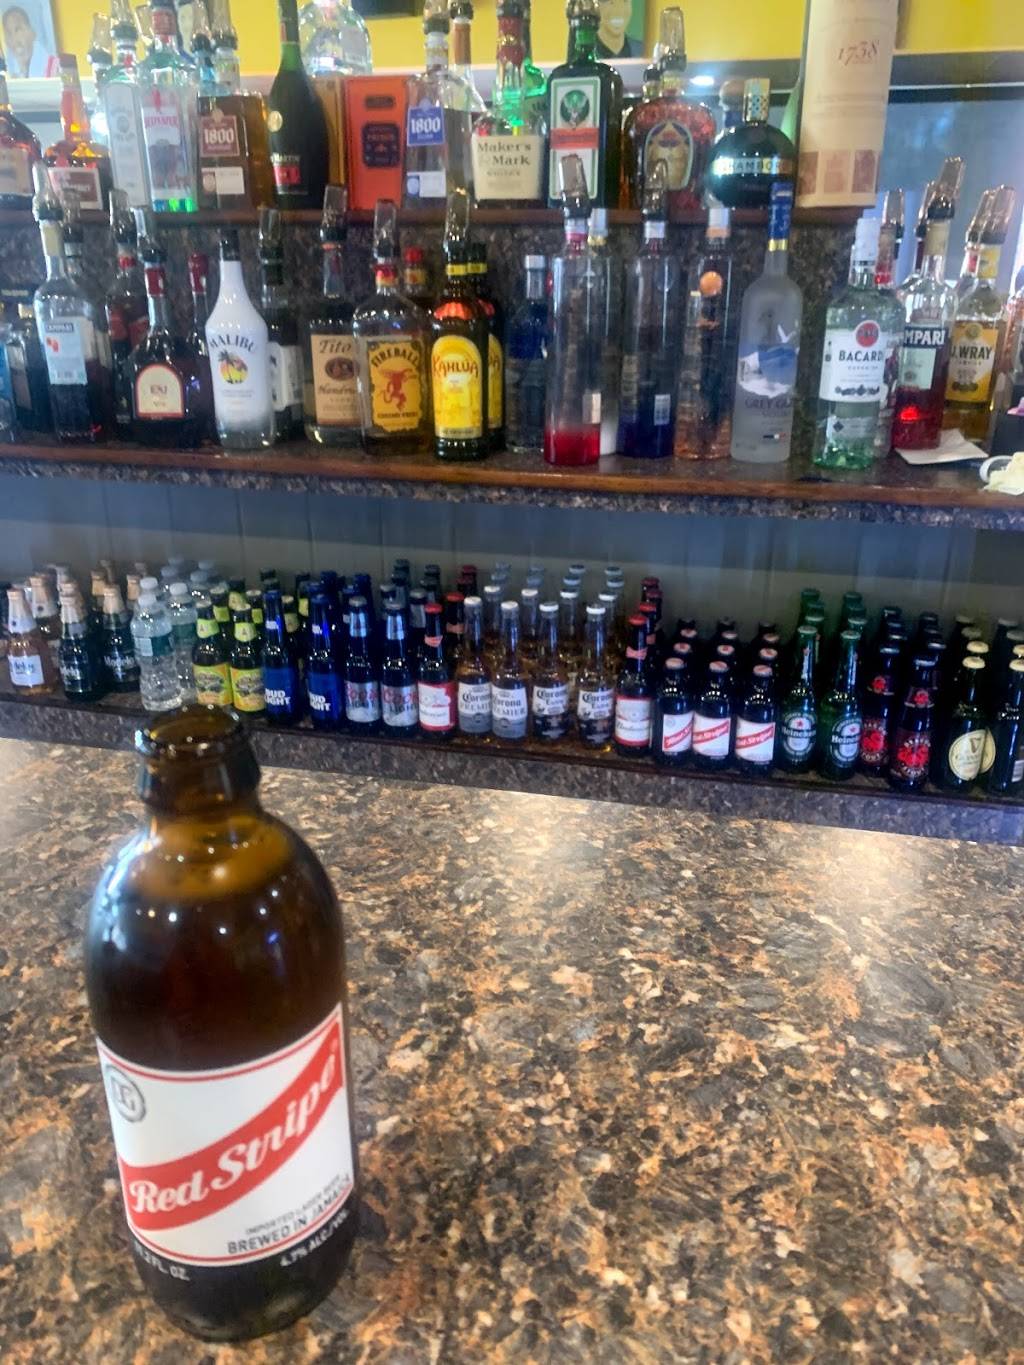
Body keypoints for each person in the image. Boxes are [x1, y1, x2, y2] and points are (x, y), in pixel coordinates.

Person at [2, 5, 37, 77]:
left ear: (32, 33)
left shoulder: (53, 68)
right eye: (9, 33)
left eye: (18, 30)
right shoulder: (9, 73)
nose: (14, 39)